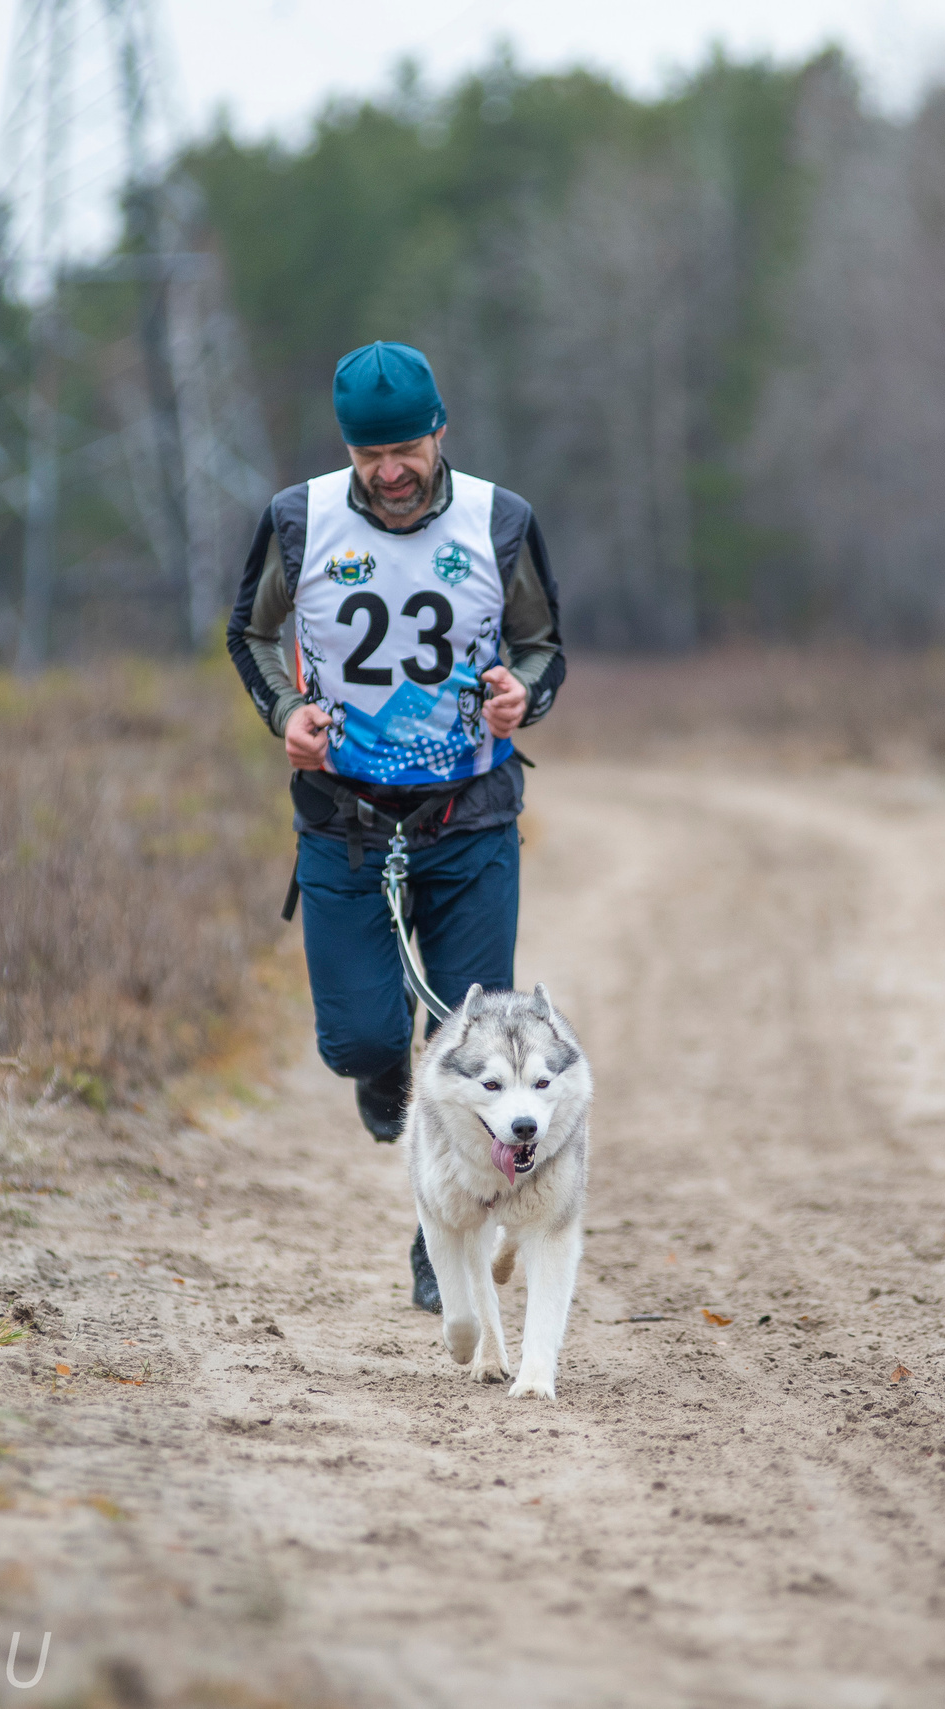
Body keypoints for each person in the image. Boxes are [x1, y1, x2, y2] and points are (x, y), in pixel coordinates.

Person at [226, 340, 566, 1313]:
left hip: (472, 818)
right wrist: (282, 712)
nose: (390, 471)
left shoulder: (501, 519)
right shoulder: (299, 521)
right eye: (369, 452)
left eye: (406, 449)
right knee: (363, 1041)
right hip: (344, 821)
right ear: (347, 449)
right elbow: (247, 630)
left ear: (439, 431)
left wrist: (518, 697)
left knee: (464, 1051)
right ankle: (383, 1083)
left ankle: (439, 1245)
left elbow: (542, 646)